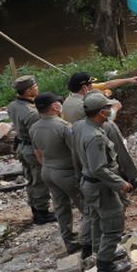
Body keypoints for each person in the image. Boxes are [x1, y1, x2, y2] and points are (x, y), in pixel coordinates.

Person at [74, 92, 137, 272]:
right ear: (102, 113)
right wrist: (121, 183)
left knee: (97, 219)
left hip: (89, 184)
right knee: (113, 225)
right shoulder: (96, 137)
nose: (111, 111)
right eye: (108, 108)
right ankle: (105, 266)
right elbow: (98, 169)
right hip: (101, 187)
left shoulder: (81, 126)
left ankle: (100, 251)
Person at [29, 93, 88, 256]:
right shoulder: (64, 127)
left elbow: (37, 153)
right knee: (87, 207)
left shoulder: (34, 127)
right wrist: (82, 174)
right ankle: (91, 241)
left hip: (47, 171)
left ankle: (69, 242)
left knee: (61, 208)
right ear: (55, 107)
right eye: (58, 103)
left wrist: (48, 167)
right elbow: (76, 153)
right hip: (66, 173)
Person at [7, 75, 53, 224]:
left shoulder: (13, 106)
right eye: (35, 87)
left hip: (21, 146)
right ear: (28, 91)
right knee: (39, 180)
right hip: (32, 149)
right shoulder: (32, 113)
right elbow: (38, 135)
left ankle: (35, 208)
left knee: (31, 179)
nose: (37, 88)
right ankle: (42, 213)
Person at [62, 71, 137, 124]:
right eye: (91, 84)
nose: (92, 85)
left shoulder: (69, 98)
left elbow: (107, 84)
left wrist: (129, 80)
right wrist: (115, 107)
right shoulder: (85, 105)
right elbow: (106, 119)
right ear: (84, 87)